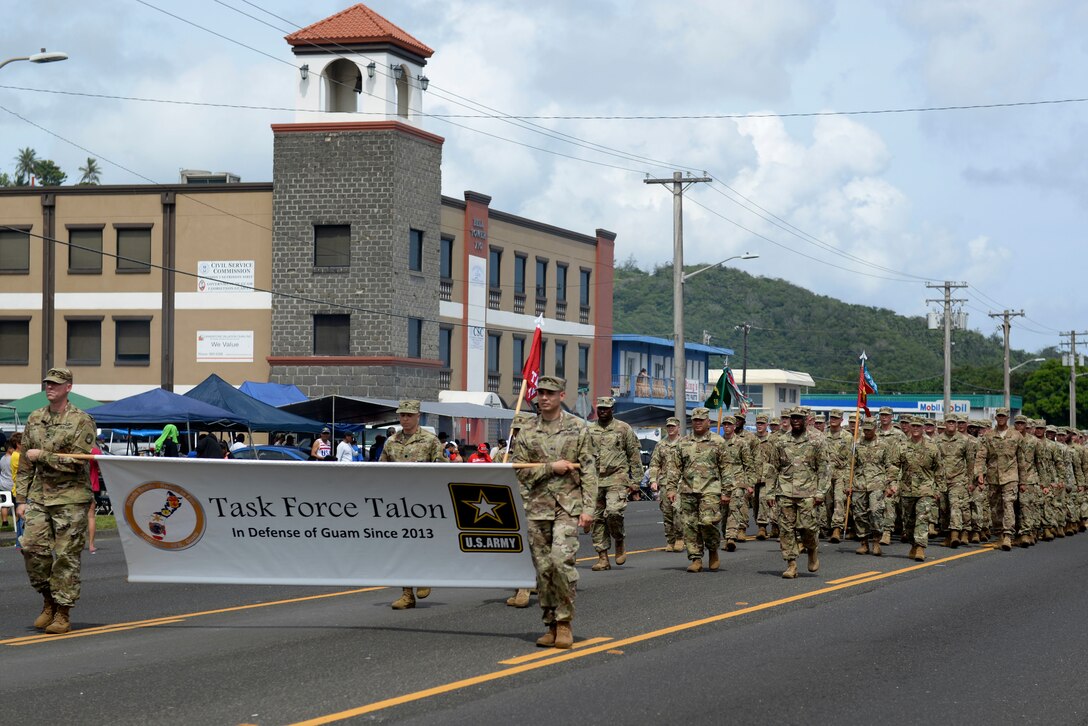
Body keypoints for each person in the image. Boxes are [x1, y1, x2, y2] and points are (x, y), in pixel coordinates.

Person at [510, 377, 597, 649]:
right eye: (540, 393)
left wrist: (589, 509)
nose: (544, 398)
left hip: (567, 507)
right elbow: (519, 470)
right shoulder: (527, 430)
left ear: (561, 395)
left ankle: (564, 622)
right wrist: (550, 468)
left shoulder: (578, 428)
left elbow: (590, 471)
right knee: (544, 569)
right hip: (536, 507)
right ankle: (549, 624)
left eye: (549, 393)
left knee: (561, 563)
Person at [14, 367, 97, 634]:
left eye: (56, 384)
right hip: (39, 496)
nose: (50, 387)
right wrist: (21, 499)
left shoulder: (82, 420)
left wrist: (45, 456)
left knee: (65, 556)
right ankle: (48, 601)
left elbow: (79, 462)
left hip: (71, 499)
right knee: (30, 549)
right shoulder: (35, 418)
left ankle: (62, 612)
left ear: (68, 387)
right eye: (47, 383)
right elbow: (26, 462)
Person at [380, 400, 444, 610]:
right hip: (397, 502)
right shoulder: (391, 441)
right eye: (402, 415)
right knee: (402, 546)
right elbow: (380, 468)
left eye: (409, 415)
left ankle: (425, 577)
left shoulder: (430, 440)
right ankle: (407, 593)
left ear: (418, 416)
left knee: (422, 541)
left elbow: (442, 468)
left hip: (423, 501)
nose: (405, 419)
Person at [763, 407, 830, 579]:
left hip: (808, 492)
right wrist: (769, 493)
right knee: (786, 530)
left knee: (807, 527)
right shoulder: (780, 441)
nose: (795, 421)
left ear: (806, 419)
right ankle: (791, 564)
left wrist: (821, 492)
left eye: (799, 418)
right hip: (785, 491)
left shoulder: (816, 441)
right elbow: (772, 469)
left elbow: (824, 468)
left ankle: (812, 548)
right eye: (793, 418)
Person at [664, 407, 728, 573]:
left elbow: (726, 468)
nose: (698, 423)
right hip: (688, 489)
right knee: (690, 525)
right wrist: (671, 488)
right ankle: (696, 558)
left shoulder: (718, 441)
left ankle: (713, 550)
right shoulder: (683, 442)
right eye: (695, 421)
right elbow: (674, 468)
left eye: (701, 420)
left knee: (708, 522)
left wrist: (727, 492)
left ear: (708, 422)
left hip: (711, 489)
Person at [587, 397, 642, 571]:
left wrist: (636, 482)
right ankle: (603, 557)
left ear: (612, 409)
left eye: (606, 408)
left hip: (617, 477)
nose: (603, 411)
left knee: (613, 511)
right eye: (600, 408)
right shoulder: (589, 430)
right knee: (596, 519)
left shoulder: (623, 428)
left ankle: (619, 538)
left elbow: (633, 455)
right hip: (595, 480)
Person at [886, 416, 943, 562]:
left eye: (919, 426)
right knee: (909, 521)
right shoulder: (902, 446)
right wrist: (892, 483)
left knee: (922, 518)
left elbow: (939, 470)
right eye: (914, 426)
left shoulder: (932, 447)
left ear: (923, 428)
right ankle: (913, 543)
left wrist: (939, 490)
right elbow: (894, 466)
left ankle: (920, 547)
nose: (916, 428)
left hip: (926, 489)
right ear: (910, 428)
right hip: (907, 489)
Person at [974, 407, 1021, 551]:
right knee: (995, 508)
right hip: (993, 477)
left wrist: (1024, 480)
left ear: (1008, 418)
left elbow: (1023, 459)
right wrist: (979, 474)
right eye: (998, 416)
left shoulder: (1016, 436)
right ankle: (1000, 534)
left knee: (1008, 504)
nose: (1001, 418)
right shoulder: (988, 436)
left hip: (1010, 476)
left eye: (1003, 416)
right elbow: (981, 456)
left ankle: (1007, 535)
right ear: (995, 418)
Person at [850, 418, 888, 555]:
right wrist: (847, 483)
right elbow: (850, 465)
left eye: (869, 430)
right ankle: (863, 542)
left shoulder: (883, 444)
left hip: (877, 482)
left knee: (875, 511)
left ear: (875, 428)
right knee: (859, 514)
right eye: (864, 429)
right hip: (859, 483)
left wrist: (890, 484)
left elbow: (890, 465)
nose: (866, 432)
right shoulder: (856, 444)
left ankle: (876, 541)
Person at [647, 417, 683, 551]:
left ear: (678, 427)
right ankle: (670, 540)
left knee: (678, 511)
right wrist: (653, 480)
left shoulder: (684, 443)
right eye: (668, 426)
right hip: (664, 483)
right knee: (667, 513)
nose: (670, 428)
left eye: (673, 426)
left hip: (680, 483)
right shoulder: (660, 445)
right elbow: (654, 464)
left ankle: (680, 538)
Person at [87, 439, 104, 554]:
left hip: (75, 486)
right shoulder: (96, 452)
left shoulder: (75, 449)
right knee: (91, 516)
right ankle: (91, 545)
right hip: (92, 486)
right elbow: (103, 467)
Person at [0, 436, 14, 530]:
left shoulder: (2, 459)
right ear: (9, 449)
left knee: (4, 504)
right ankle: (17, 520)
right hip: (12, 484)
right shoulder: (12, 459)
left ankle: (4, 521)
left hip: (3, 484)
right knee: (16, 504)